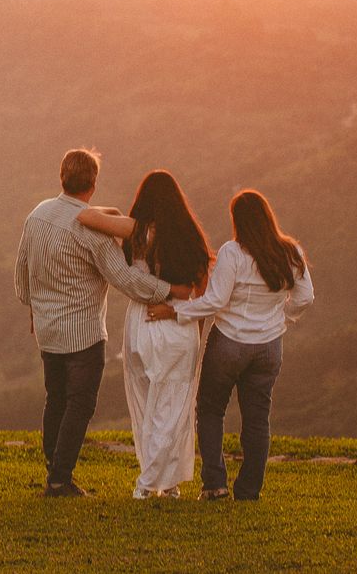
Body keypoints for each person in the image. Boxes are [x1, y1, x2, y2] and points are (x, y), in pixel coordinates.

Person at [14, 148, 196, 498]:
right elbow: (125, 279)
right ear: (93, 184)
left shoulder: (37, 215)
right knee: (80, 403)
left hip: (48, 330)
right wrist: (171, 290)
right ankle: (59, 478)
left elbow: (22, 271)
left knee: (56, 399)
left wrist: (33, 307)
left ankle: (54, 467)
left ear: (61, 177)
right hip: (83, 334)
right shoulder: (92, 232)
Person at [148, 188, 313, 500]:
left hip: (229, 343)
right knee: (257, 417)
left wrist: (177, 310)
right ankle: (249, 489)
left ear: (237, 220)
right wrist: (281, 318)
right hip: (268, 346)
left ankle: (215, 484)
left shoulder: (233, 253)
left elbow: (214, 301)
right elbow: (306, 297)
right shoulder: (291, 252)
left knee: (210, 409)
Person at [75, 170, 214, 498]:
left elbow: (84, 215)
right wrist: (194, 329)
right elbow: (202, 295)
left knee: (148, 403)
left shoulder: (136, 231)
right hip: (179, 326)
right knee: (174, 408)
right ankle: (157, 483)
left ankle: (161, 482)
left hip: (141, 324)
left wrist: (119, 213)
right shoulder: (190, 237)